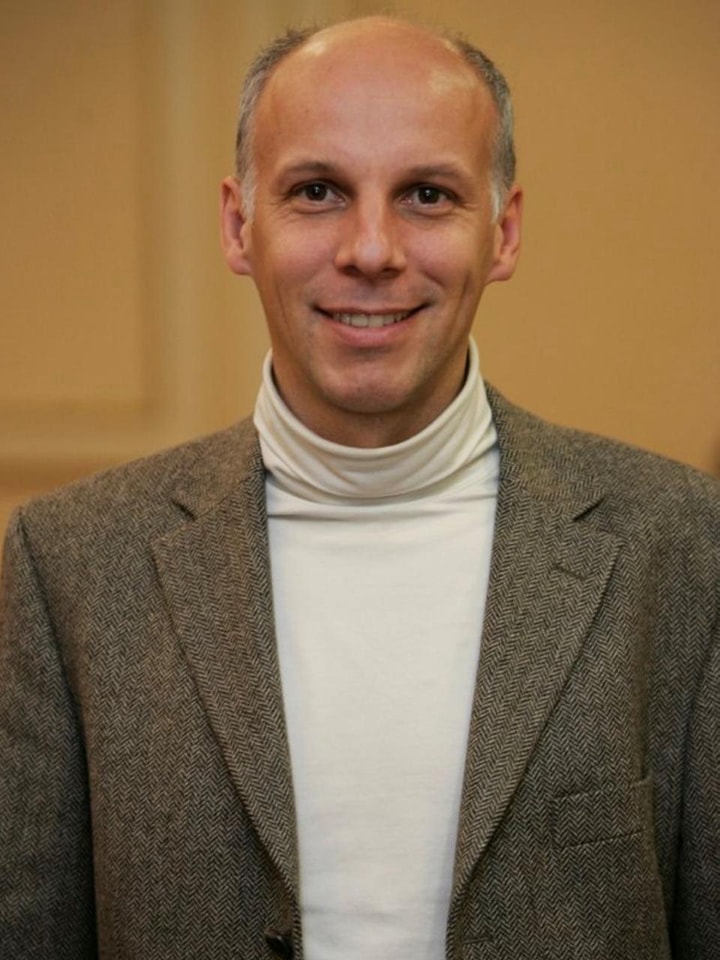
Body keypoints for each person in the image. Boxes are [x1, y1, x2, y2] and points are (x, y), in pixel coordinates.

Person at [1, 14, 718, 960]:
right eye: (317, 192)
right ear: (238, 225)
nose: (372, 250)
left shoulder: (683, 546)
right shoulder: (71, 567)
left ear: (502, 233)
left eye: (426, 194)